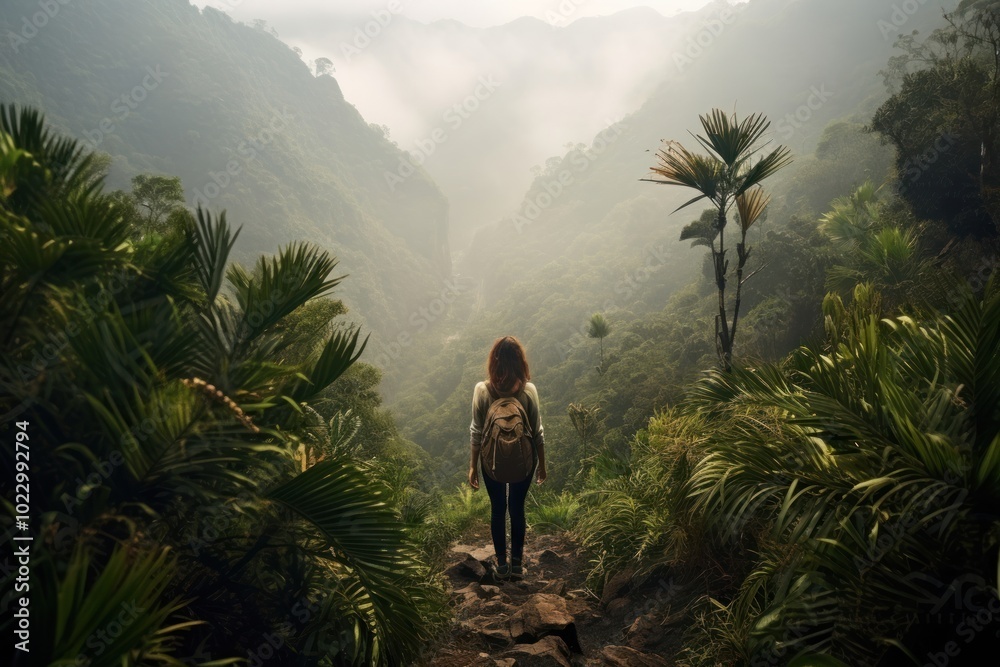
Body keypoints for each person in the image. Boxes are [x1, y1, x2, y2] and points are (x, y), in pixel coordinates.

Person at [468, 335, 547, 580]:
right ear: (520, 362)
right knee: (517, 509)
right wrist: (542, 465)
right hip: (524, 461)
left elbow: (477, 432)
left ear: (494, 361)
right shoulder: (529, 391)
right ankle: (517, 564)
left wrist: (472, 466)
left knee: (498, 510)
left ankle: (501, 565)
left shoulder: (482, 390)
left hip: (491, 463)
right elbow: (537, 432)